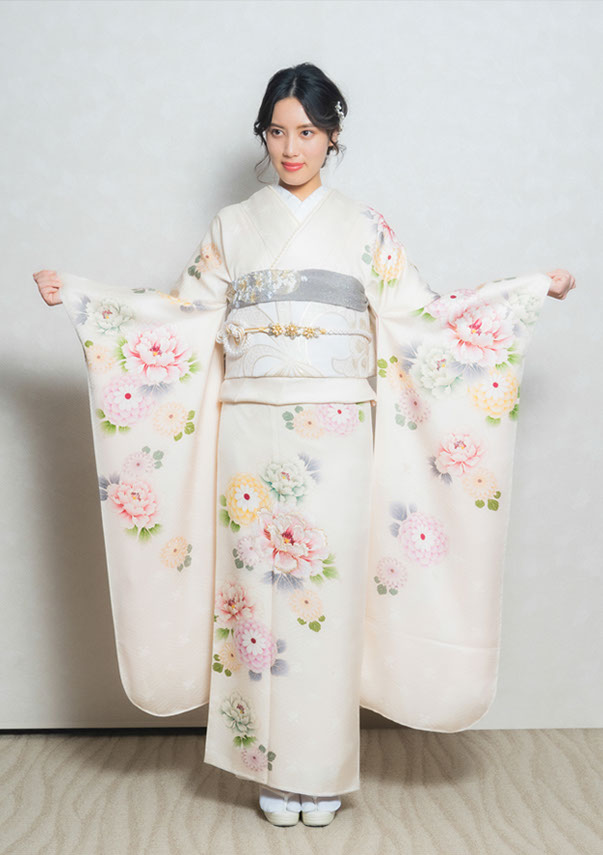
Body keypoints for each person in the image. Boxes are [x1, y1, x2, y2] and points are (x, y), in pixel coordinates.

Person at [33, 62, 575, 829]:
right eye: (278, 132)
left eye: (308, 132)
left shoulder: (364, 228)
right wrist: (89, 300)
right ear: (263, 135)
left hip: (336, 433)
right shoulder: (232, 225)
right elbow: (182, 317)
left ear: (332, 135)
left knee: (325, 596)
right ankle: (268, 766)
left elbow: (422, 317)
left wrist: (520, 294)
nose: (291, 149)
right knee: (255, 598)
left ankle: (318, 769)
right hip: (248, 433)